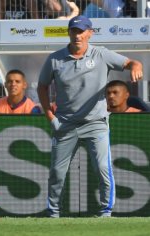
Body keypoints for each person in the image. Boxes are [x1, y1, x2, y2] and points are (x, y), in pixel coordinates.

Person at [37, 15, 143, 218]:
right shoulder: (55, 59)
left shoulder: (101, 54)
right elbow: (42, 86)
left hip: (96, 124)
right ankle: (52, 213)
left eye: (82, 31)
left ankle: (105, 212)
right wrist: (50, 116)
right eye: (74, 31)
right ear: (69, 33)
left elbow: (130, 62)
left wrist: (136, 66)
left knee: (103, 168)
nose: (78, 35)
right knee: (57, 173)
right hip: (65, 124)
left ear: (90, 33)